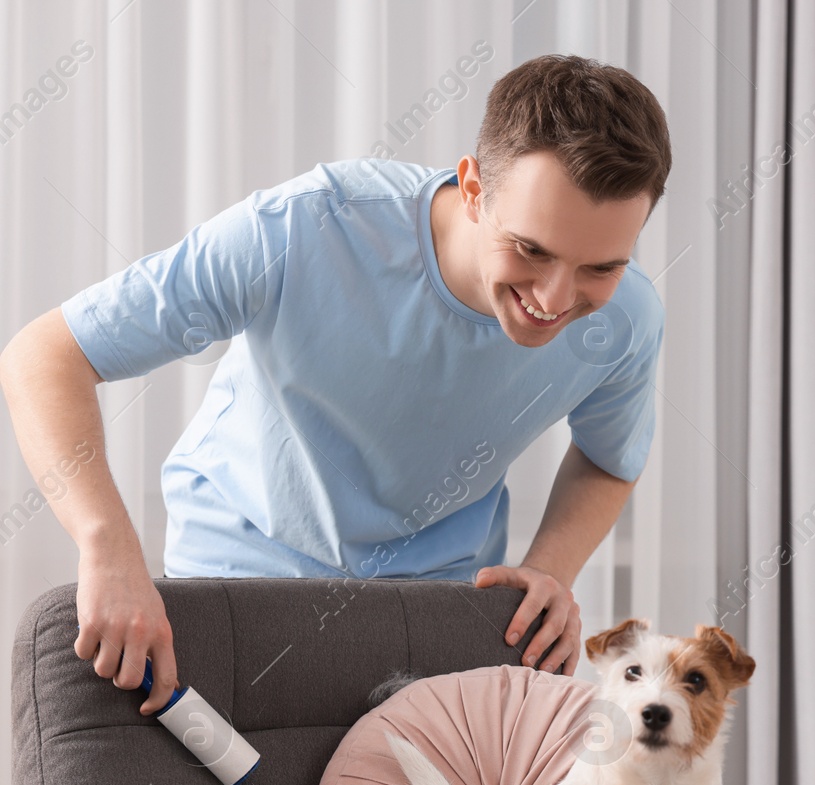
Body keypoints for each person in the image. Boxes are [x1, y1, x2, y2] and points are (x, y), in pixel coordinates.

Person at [0, 54, 670, 715]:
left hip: (437, 615)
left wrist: (552, 566)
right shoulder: (303, 228)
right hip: (237, 590)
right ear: (472, 190)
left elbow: (611, 457)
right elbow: (45, 355)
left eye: (600, 267)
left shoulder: (628, 320)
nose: (556, 297)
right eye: (532, 249)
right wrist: (107, 547)